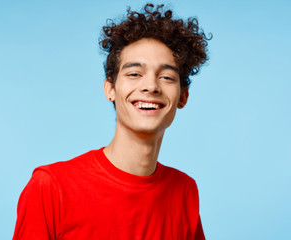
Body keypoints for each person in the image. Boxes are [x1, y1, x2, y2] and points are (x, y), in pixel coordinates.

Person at [13, 3, 210, 240]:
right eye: (134, 74)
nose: (151, 86)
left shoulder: (184, 191)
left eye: (166, 77)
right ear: (110, 89)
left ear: (183, 96)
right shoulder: (50, 187)